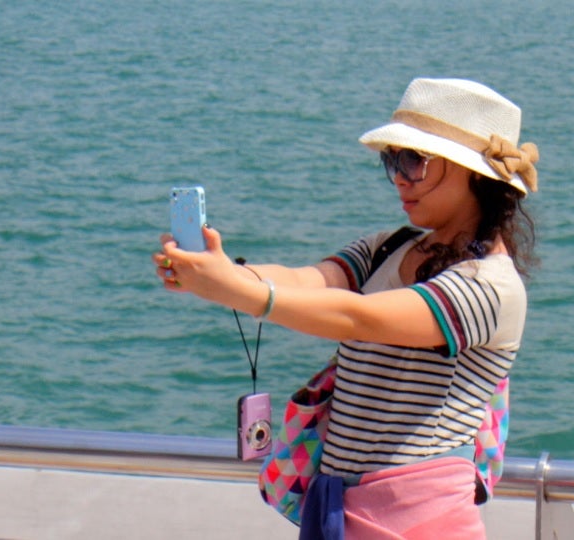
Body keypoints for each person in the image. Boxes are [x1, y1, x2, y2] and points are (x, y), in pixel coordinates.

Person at [154, 77, 539, 539]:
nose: (399, 175)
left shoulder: (491, 286)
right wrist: (218, 272)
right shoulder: (388, 247)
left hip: (420, 517)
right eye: (391, 159)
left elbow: (362, 318)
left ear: (473, 173)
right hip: (342, 505)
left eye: (414, 160)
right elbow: (308, 280)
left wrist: (238, 292)